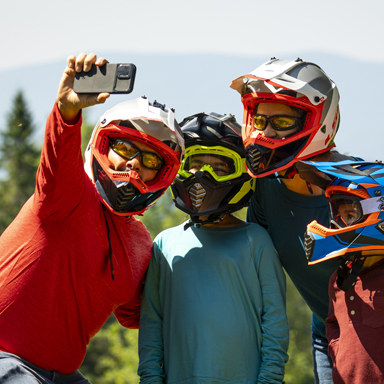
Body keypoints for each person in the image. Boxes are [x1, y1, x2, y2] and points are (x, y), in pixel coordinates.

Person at [0, 53, 184, 383]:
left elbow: (138, 315)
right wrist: (68, 110)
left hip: (59, 374)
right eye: (126, 149)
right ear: (103, 144)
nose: (135, 165)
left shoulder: (141, 244)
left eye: (150, 160)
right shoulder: (67, 195)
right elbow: (58, 152)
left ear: (163, 174)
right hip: (6, 359)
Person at [230, 58, 359, 383]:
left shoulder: (363, 187)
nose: (266, 132)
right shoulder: (263, 187)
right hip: (326, 330)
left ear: (318, 121)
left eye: (283, 121)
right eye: (260, 119)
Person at [138, 112, 289, 384]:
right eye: (194, 164)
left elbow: (275, 322)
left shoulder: (256, 240)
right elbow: (152, 323)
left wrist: (270, 380)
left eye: (219, 168)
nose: (202, 175)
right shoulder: (164, 244)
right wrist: (150, 378)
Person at [304, 160, 384, 383]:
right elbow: (331, 323)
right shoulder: (339, 280)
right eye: (340, 216)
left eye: (351, 214)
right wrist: (338, 350)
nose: (341, 223)